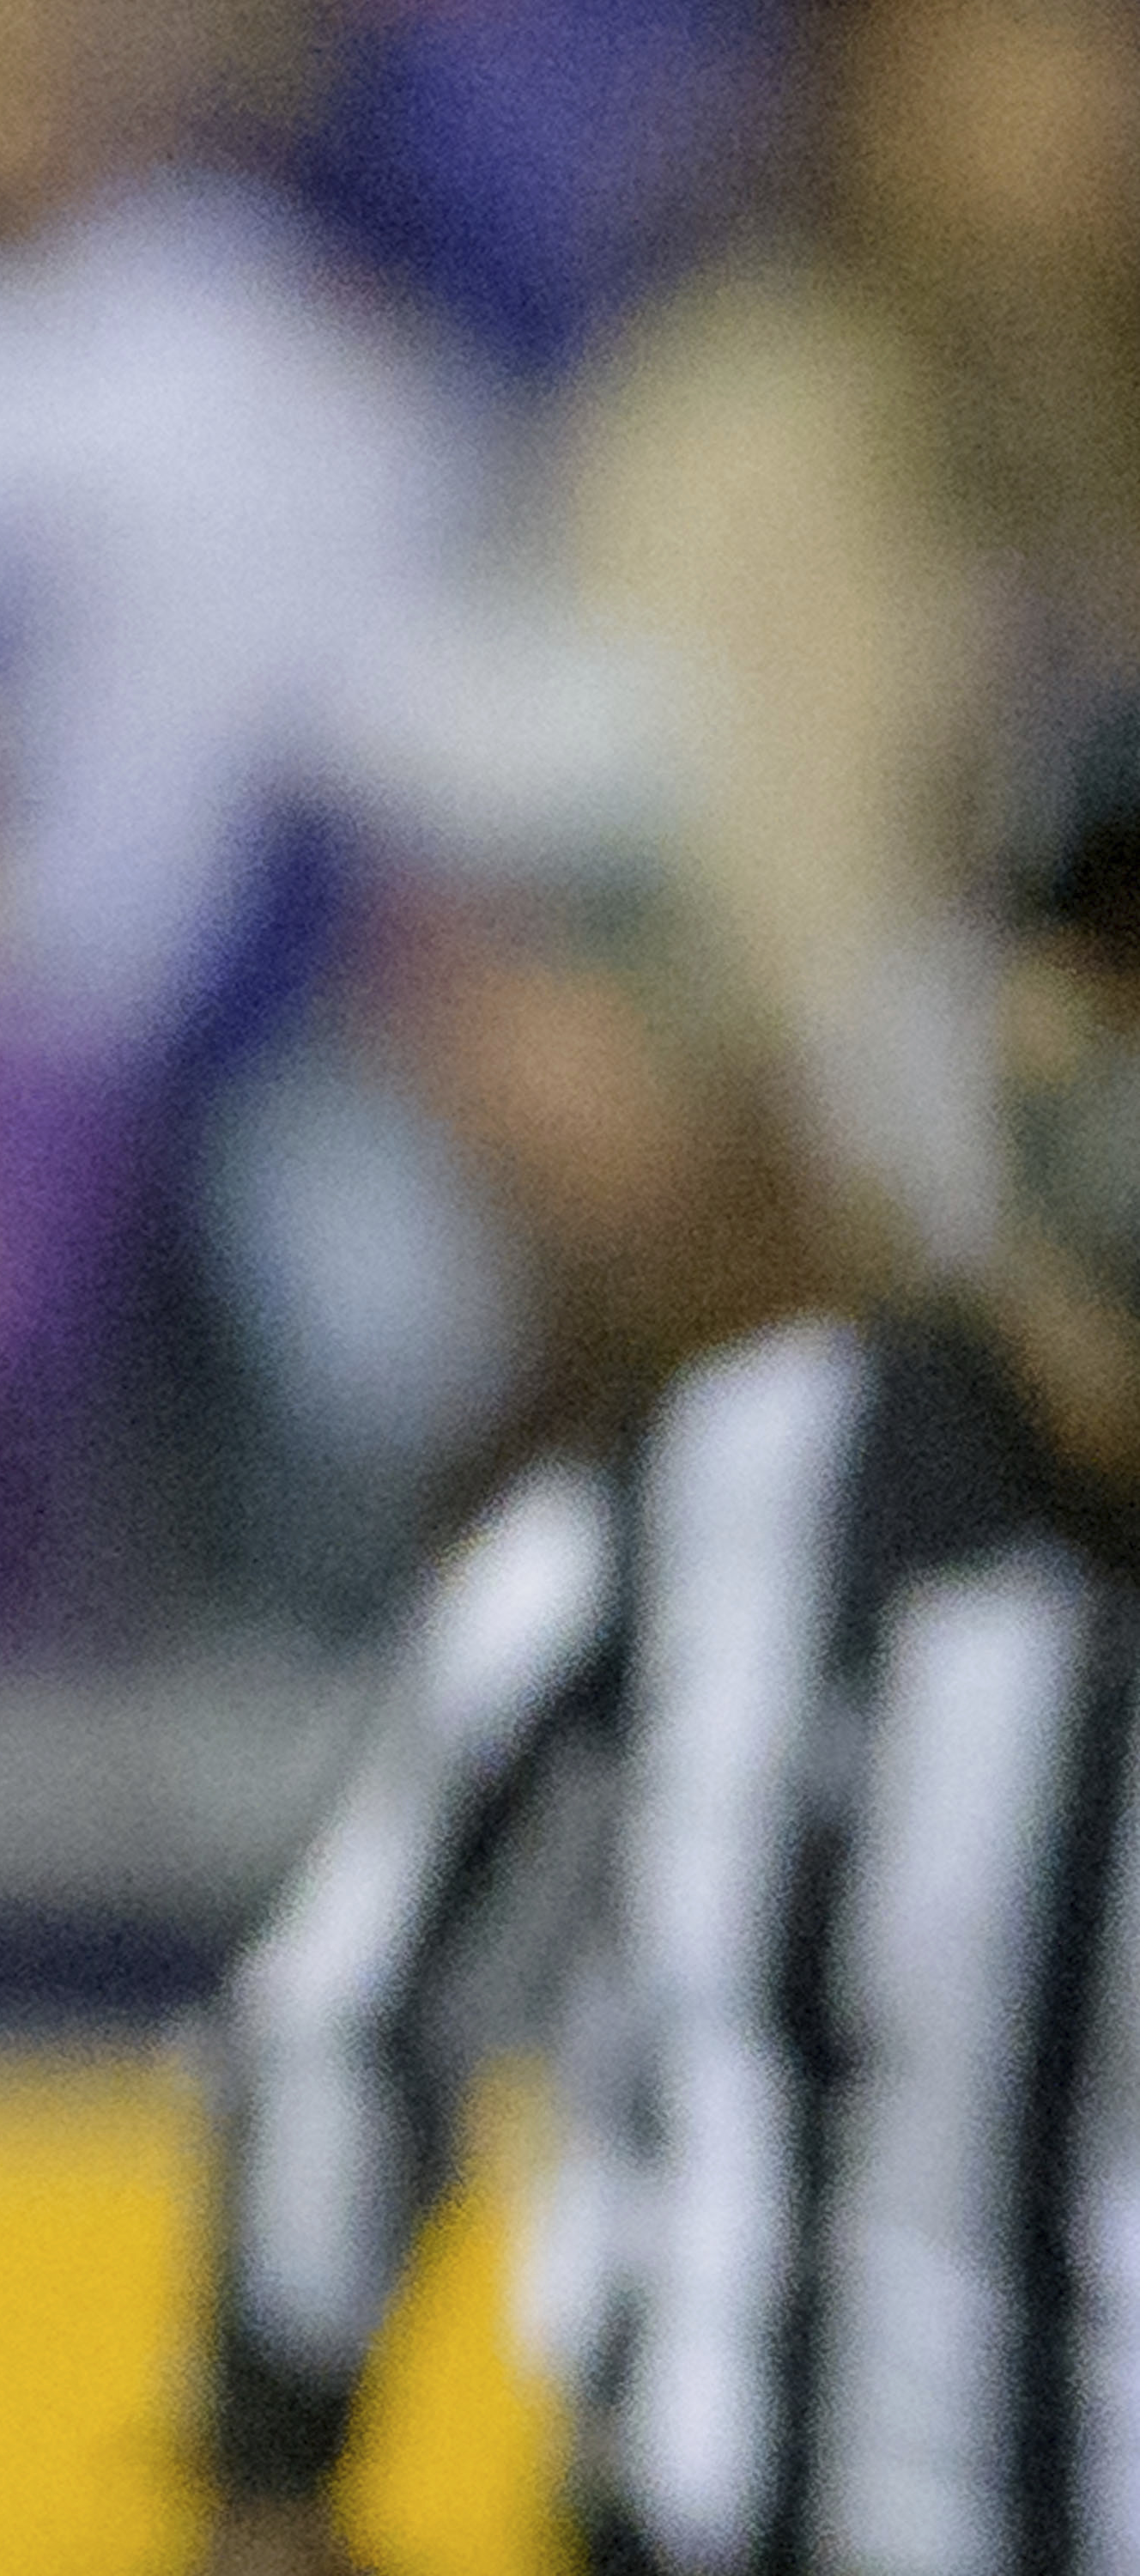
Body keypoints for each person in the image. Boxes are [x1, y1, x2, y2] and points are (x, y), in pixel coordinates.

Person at [201, 710, 1140, 2576]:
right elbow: (349, 1996)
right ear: (1022, 1005)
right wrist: (276, 2473)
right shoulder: (712, 1502)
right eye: (1117, 964)